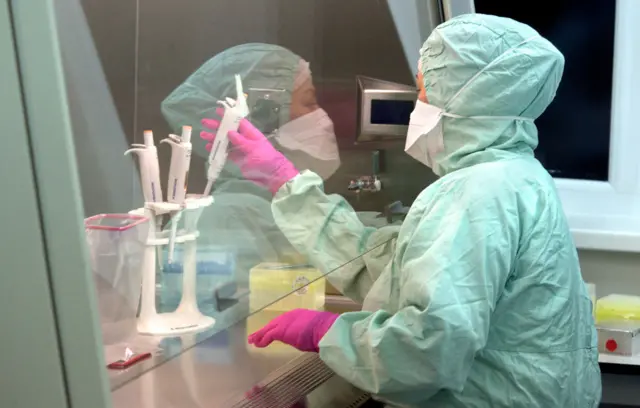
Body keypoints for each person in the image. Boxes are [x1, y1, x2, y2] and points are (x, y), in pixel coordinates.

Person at [203, 14, 601, 407]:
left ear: (467, 97)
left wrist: (330, 331)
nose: (418, 105)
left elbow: (428, 350)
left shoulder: (476, 193)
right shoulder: (516, 176)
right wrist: (284, 180)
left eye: (426, 90)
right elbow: (392, 268)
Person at [161, 43, 341, 290]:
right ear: (263, 117)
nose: (321, 116)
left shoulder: (272, 211)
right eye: (309, 103)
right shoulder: (222, 221)